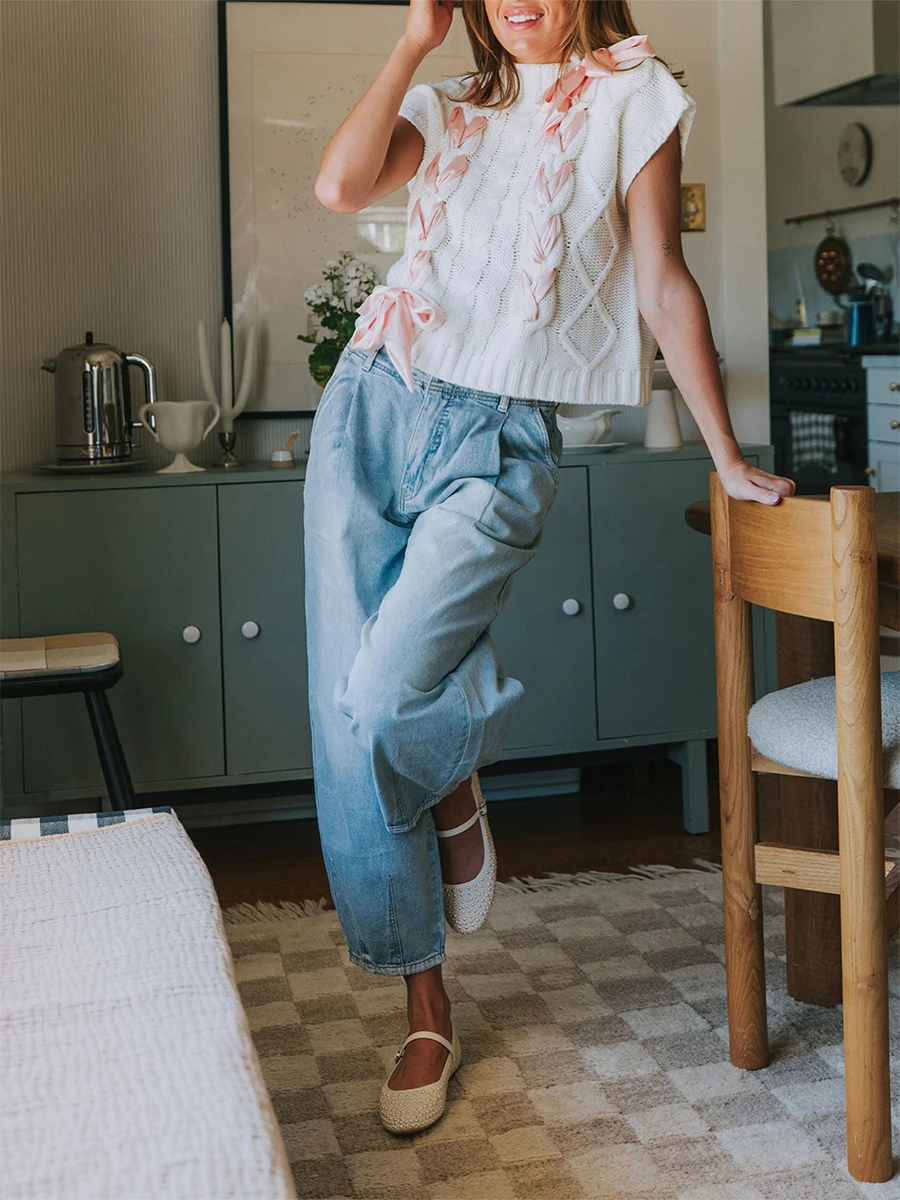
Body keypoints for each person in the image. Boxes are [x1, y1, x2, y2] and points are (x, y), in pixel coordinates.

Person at [305, 0, 795, 1135]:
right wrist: (411, 42)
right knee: (346, 723)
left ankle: (457, 773)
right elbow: (339, 189)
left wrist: (726, 455)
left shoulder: (638, 97)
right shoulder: (453, 102)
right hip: (373, 405)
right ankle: (426, 1008)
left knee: (383, 703)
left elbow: (662, 274)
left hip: (499, 439)